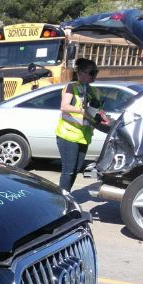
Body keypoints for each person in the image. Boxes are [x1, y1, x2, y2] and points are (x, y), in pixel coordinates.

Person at [55, 58, 110, 192]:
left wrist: (103, 117)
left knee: (76, 169)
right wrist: (82, 111)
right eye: (91, 72)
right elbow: (64, 106)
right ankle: (63, 197)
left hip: (83, 137)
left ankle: (65, 194)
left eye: (95, 72)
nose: (94, 76)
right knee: (69, 170)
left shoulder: (94, 91)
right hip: (68, 135)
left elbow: (97, 111)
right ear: (80, 73)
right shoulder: (71, 87)